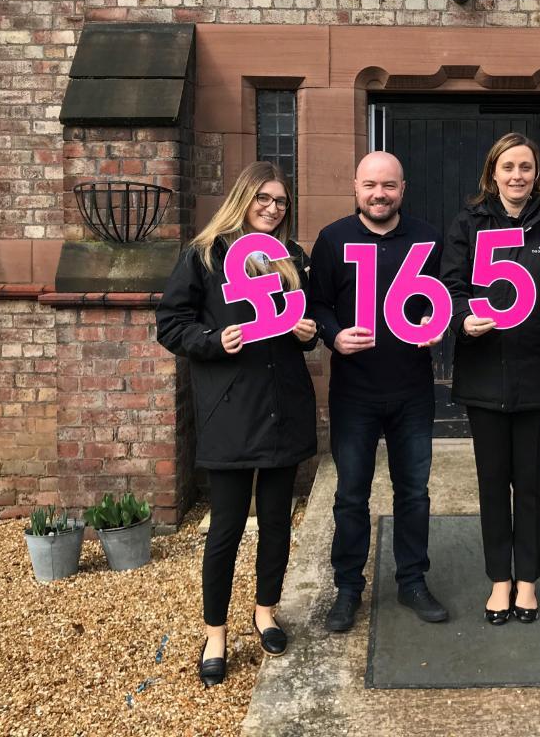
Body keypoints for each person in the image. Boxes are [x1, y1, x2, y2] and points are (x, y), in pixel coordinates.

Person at [155, 161, 319, 687]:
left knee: (277, 520)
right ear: (243, 199)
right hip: (230, 408)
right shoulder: (205, 255)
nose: (273, 208)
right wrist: (211, 340)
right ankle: (216, 633)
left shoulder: (293, 258)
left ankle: (265, 611)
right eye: (263, 198)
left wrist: (308, 332)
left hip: (283, 405)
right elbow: (171, 324)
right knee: (226, 527)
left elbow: (307, 323)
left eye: (281, 201)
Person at [440, 133, 540, 624]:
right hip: (483, 373)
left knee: (530, 483)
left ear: (536, 172)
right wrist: (462, 317)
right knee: (491, 483)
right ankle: (499, 580)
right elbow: (451, 286)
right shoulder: (468, 223)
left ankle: (528, 581)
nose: (517, 175)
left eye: (525, 167)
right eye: (508, 167)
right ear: (493, 173)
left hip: (536, 373)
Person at [308, 151, 449, 632]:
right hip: (355, 392)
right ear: (355, 187)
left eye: (388, 185)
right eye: (370, 185)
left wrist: (435, 322)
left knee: (414, 493)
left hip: (412, 389)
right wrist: (333, 335)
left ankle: (412, 581)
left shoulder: (428, 238)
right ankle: (348, 589)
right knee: (351, 495)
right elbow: (317, 303)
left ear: (403, 189)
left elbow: (441, 298)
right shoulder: (333, 239)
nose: (379, 194)